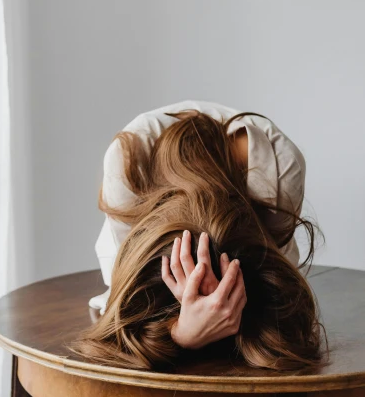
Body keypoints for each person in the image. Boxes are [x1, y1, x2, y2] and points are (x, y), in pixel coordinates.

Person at [68, 101, 325, 372]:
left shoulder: (277, 169)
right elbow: (118, 321)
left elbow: (287, 319)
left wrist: (235, 309)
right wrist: (180, 334)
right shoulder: (128, 165)